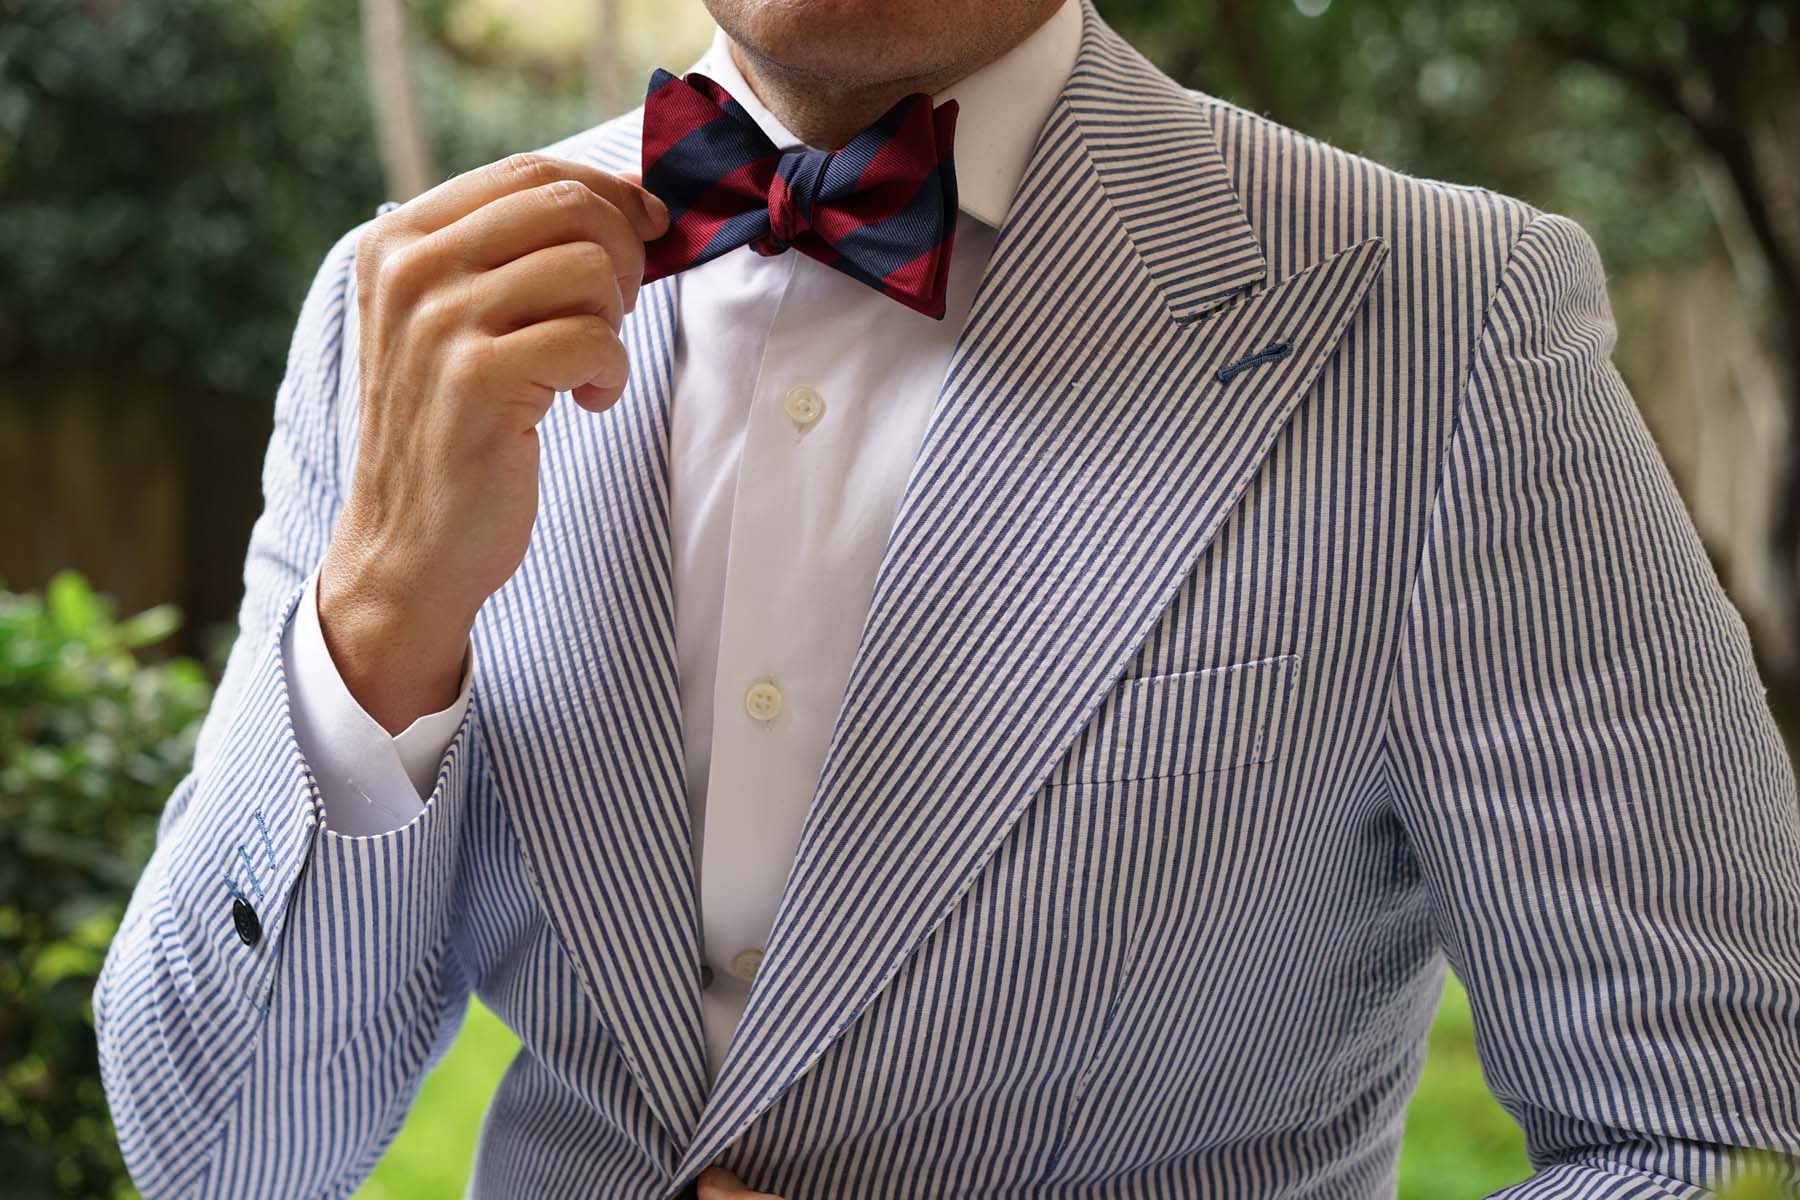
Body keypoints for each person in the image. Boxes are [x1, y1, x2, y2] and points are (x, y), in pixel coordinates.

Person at [96, 0, 1800, 1195]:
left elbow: (1715, 1134)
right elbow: (223, 1152)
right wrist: (385, 607)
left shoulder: (1447, 326)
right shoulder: (397, 308)